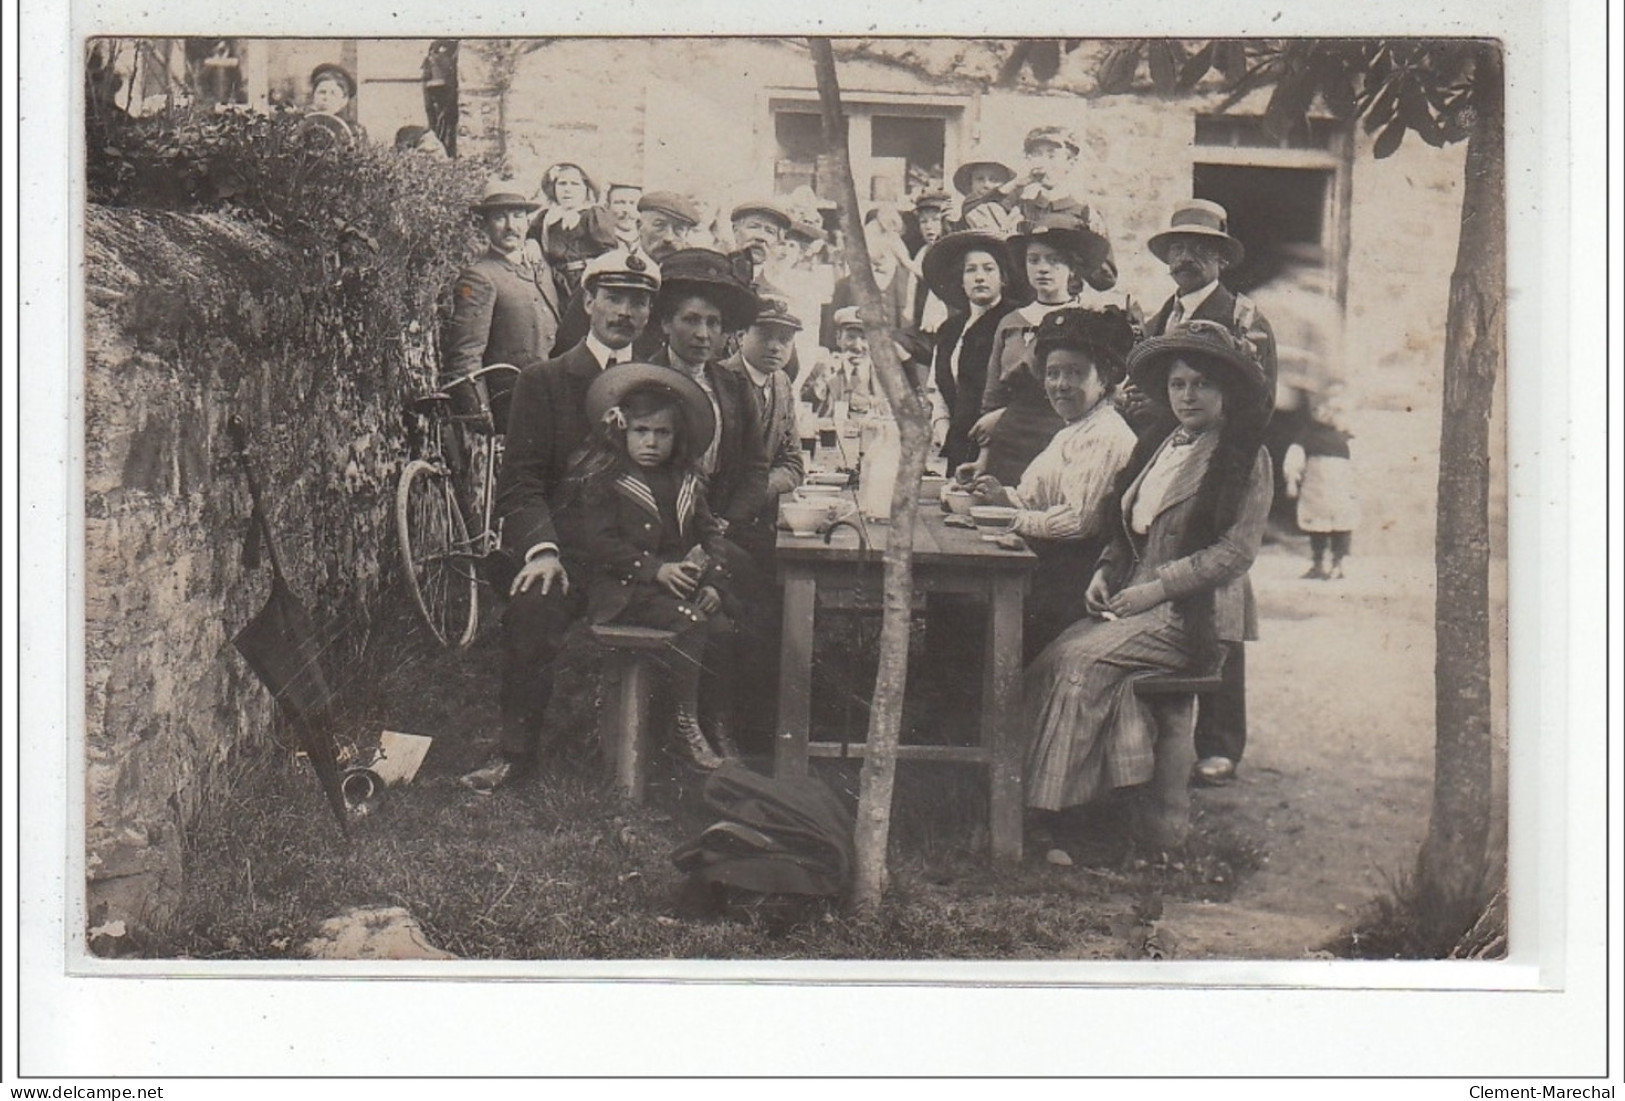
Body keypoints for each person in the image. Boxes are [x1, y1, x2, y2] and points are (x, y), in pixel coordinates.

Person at [1023, 321, 1274, 851]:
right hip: (1136, 599)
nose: (1188, 395)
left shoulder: (1243, 455)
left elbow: (1235, 552)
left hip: (1194, 613)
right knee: (1054, 656)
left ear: (1227, 389)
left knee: (1080, 664)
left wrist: (1157, 589)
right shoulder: (1162, 443)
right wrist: (1104, 573)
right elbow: (1127, 524)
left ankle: (1062, 819)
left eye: (1203, 384)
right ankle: (1074, 809)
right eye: (1179, 384)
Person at [459, 249, 661, 792]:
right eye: (614, 298)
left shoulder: (660, 384)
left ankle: (668, 747)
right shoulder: (544, 381)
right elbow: (520, 484)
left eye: (638, 302)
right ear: (588, 301)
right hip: (568, 552)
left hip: (638, 554)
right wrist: (542, 550)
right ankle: (515, 753)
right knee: (534, 605)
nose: (625, 312)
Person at [1127, 198, 1279, 787]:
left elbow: (1258, 398)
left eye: (1198, 248)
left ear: (1219, 256)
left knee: (1220, 590)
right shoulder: (1158, 315)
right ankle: (1153, 733)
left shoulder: (1244, 317)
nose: (1184, 257)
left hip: (1222, 456)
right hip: (1165, 454)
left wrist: (1228, 461)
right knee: (1155, 573)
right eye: (1175, 248)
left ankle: (1219, 742)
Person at [560, 366, 737, 769]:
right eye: (641, 431)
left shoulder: (687, 480)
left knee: (723, 626)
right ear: (623, 430)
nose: (651, 443)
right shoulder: (608, 477)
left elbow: (710, 536)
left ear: (677, 437)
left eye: (662, 433)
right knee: (690, 621)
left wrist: (713, 584)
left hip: (677, 585)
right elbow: (600, 543)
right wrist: (654, 570)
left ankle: (715, 723)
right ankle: (683, 726)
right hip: (628, 591)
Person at [965, 307, 1140, 658]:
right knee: (964, 611)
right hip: (1051, 570)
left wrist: (1009, 515)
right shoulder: (1072, 429)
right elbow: (1032, 499)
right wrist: (997, 491)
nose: (1060, 385)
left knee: (970, 618)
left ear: (1104, 378)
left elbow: (1078, 523)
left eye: (1075, 373)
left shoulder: (1105, 434)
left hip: (1076, 583)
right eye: (1053, 373)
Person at [972, 210, 1111, 486]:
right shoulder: (1010, 322)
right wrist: (983, 459)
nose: (1042, 268)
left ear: (1072, 268)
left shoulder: (1089, 319)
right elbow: (992, 399)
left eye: (1054, 260)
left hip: (1066, 442)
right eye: (1033, 260)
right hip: (1010, 444)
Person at [646, 248, 771, 553]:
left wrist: (728, 521)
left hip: (723, 528)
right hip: (658, 532)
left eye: (713, 323)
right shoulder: (643, 382)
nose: (703, 334)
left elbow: (756, 466)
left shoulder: (734, 386)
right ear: (666, 323)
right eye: (691, 320)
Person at [442, 179, 562, 428]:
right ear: (485, 225)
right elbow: (465, 356)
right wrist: (479, 417)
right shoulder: (479, 276)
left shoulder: (540, 267)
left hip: (551, 402)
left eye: (518, 215)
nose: (510, 226)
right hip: (510, 409)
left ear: (528, 221)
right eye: (499, 217)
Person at [548, 189, 702, 357]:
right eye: (659, 226)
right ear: (639, 226)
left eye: (679, 230)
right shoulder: (607, 271)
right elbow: (567, 346)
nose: (669, 237)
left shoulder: (690, 285)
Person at [918, 230, 1025, 472]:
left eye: (988, 269)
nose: (979, 277)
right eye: (971, 270)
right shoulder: (950, 329)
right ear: (961, 279)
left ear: (1003, 278)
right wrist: (943, 428)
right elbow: (936, 387)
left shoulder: (1014, 322)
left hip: (1003, 448)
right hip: (958, 449)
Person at [1002, 125, 1116, 293]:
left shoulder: (1085, 212)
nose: (1042, 162)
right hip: (1023, 306)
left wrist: (1090, 248)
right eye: (1036, 155)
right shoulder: (1021, 206)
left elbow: (1106, 281)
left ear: (1071, 162)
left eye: (1051, 155)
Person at [1284, 386, 1359, 580]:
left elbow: (1357, 464)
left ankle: (1338, 564)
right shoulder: (1307, 437)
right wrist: (1292, 481)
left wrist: (1355, 487)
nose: (1327, 415)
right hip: (1316, 488)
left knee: (1340, 525)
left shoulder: (1346, 439)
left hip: (1340, 487)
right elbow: (1294, 459)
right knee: (1318, 527)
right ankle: (1319, 564)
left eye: (1333, 411)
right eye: (1321, 410)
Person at [528, 162, 616, 301]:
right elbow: (530, 237)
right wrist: (531, 243)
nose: (567, 190)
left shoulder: (593, 215)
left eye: (575, 184)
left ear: (586, 189)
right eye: (562, 184)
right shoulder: (546, 217)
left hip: (585, 281)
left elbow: (610, 253)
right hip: (554, 282)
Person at [799, 306, 882, 418]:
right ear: (838, 338)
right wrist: (824, 378)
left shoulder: (882, 374)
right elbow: (805, 406)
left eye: (864, 338)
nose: (858, 347)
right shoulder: (823, 367)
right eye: (850, 337)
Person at [907, 190, 953, 334]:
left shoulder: (952, 253)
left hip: (948, 322)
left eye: (935, 220)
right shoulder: (921, 253)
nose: (928, 226)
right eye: (923, 221)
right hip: (922, 325)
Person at [948, 153, 1020, 235]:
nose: (986, 185)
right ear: (971, 183)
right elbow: (992, 196)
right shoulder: (970, 205)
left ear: (1005, 183)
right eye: (979, 179)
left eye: (994, 180)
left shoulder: (1014, 210)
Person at [729, 200, 793, 291]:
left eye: (770, 231)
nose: (761, 237)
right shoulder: (712, 277)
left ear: (778, 242)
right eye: (753, 226)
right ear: (735, 230)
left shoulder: (775, 296)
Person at [300, 63, 364, 146]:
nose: (326, 97)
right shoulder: (301, 125)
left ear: (344, 100)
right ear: (313, 96)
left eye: (333, 93)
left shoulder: (355, 131)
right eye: (322, 92)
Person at [605, 183, 644, 252]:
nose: (627, 210)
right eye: (620, 203)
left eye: (632, 203)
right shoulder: (599, 245)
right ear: (607, 207)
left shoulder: (648, 245)